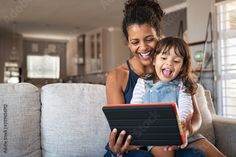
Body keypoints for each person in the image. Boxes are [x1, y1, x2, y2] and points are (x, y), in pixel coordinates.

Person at [105, 0, 225, 157]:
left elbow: (195, 116)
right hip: (142, 142)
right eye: (135, 42)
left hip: (181, 136)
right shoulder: (118, 76)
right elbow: (122, 125)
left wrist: (187, 131)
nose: (143, 47)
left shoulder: (175, 70)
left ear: (159, 36)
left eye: (149, 39)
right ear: (128, 43)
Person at [130, 36, 198, 157]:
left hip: (175, 130)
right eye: (163, 58)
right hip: (153, 133)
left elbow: (186, 107)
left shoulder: (182, 85)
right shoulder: (143, 83)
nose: (169, 63)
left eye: (176, 61)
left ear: (182, 66)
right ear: (154, 60)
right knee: (163, 149)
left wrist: (181, 125)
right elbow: (134, 108)